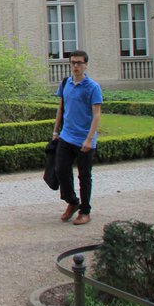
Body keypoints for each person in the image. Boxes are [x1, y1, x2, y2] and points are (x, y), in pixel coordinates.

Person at [52, 49, 102, 225]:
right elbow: (61, 107)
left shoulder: (92, 87)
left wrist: (89, 139)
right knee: (60, 170)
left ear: (85, 65)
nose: (75, 66)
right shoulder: (65, 83)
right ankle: (73, 202)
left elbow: (96, 115)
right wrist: (56, 131)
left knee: (84, 176)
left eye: (79, 63)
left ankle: (85, 211)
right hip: (66, 136)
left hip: (84, 139)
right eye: (73, 62)